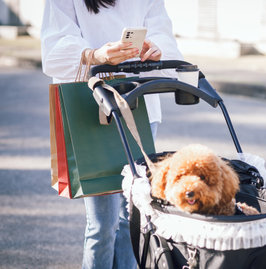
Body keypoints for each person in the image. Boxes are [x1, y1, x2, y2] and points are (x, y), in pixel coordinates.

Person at [40, 0, 183, 268]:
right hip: (93, 107)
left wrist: (156, 49)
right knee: (102, 225)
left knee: (134, 218)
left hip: (139, 108)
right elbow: (54, 47)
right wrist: (95, 55)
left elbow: (161, 29)